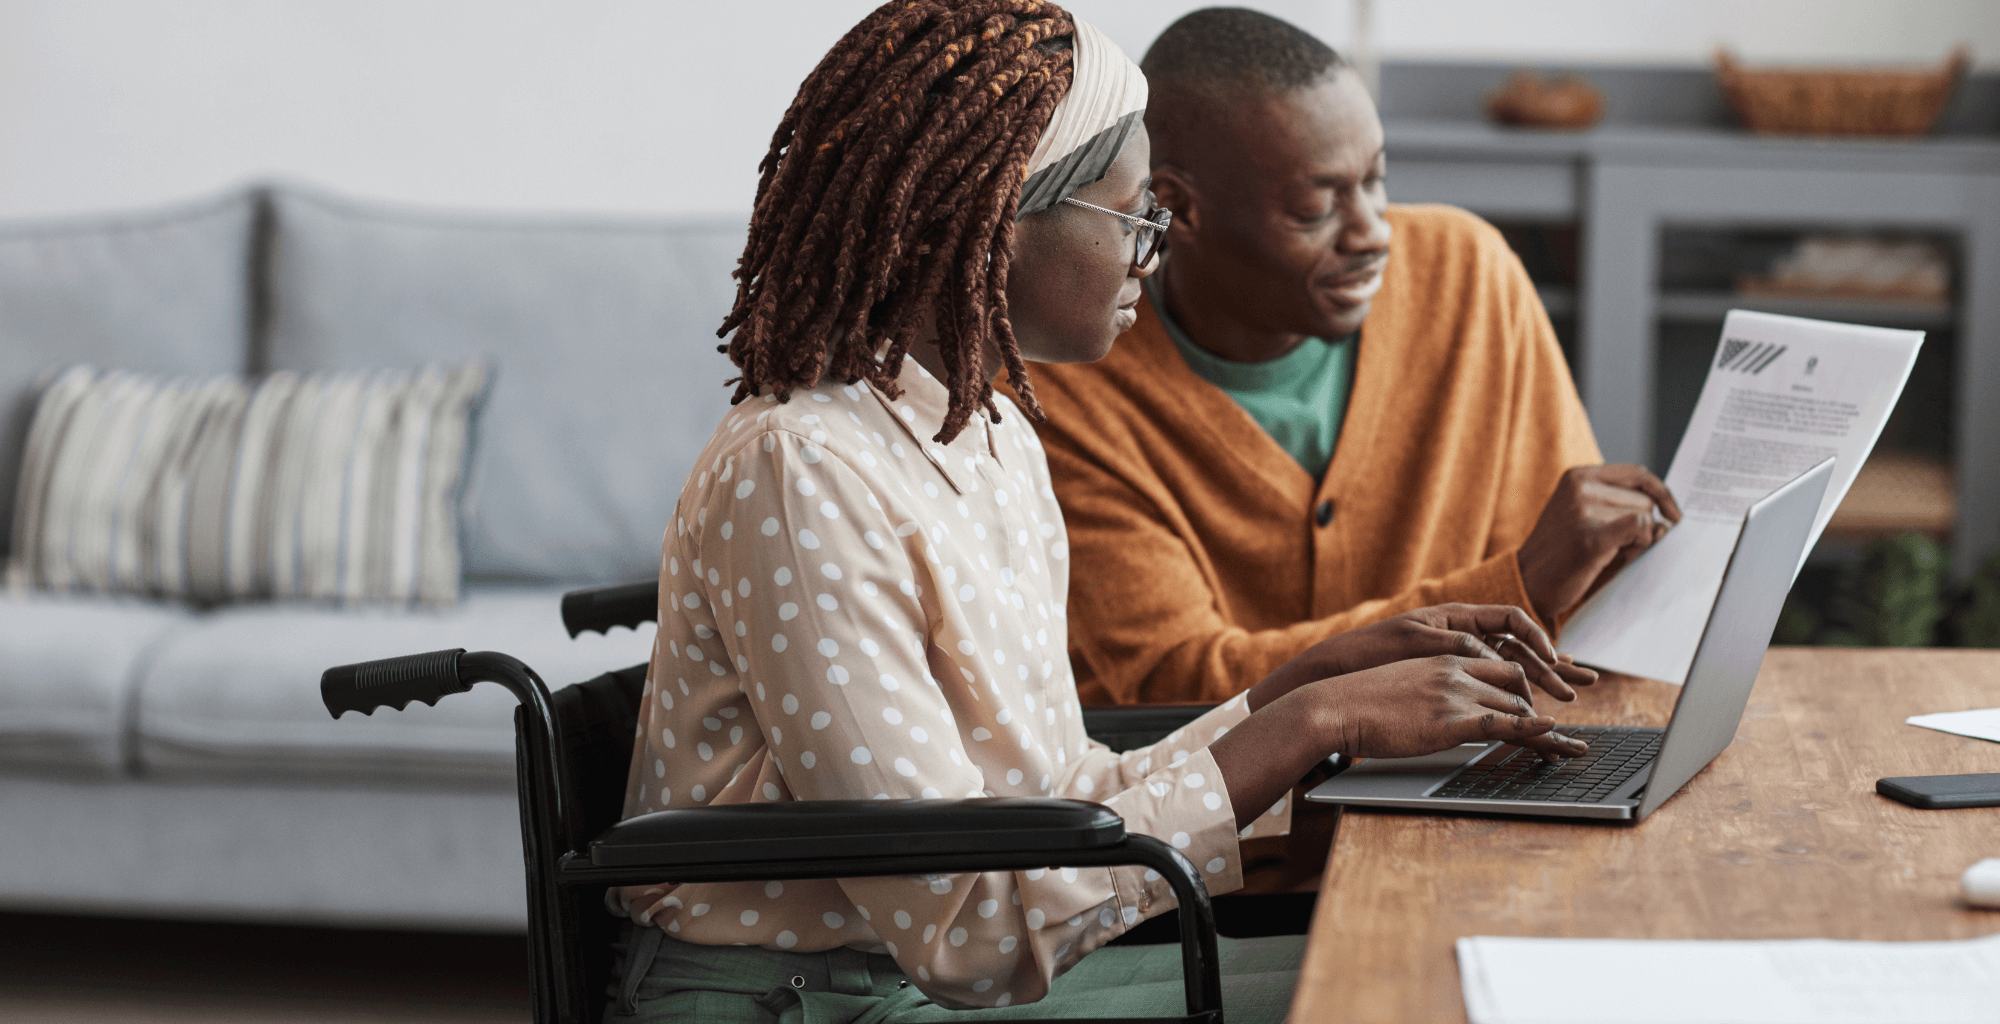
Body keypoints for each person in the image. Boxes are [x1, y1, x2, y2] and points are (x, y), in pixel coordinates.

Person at [611, 3, 1588, 1021]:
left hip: (918, 979)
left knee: (1428, 971)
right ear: (995, 223)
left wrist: (1302, 688)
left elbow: (1066, 789)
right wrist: (1310, 721)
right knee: (1413, 999)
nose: (1154, 253)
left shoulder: (986, 433)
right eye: (1135, 218)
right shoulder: (797, 466)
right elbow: (964, 929)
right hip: (807, 998)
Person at [1019, 8, 1683, 707]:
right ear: (1180, 210)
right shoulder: (1064, 384)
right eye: (1315, 209)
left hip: (1479, 766)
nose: (1372, 234)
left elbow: (1581, 606)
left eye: (1375, 181)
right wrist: (1515, 588)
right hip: (1229, 812)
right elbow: (1174, 685)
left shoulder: (1468, 274)